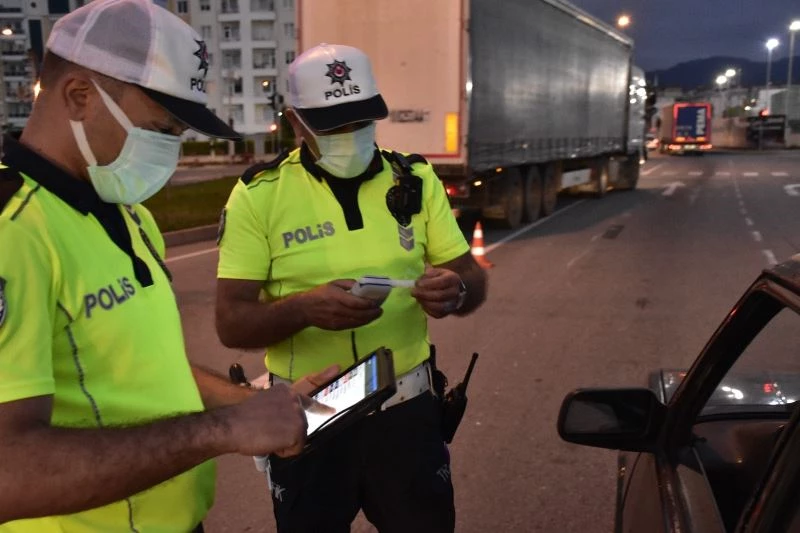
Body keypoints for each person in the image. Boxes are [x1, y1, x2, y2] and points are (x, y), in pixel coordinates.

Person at [0, 1, 333, 531]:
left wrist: (253, 402)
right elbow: (9, 471)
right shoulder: (12, 233)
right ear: (80, 96)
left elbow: (148, 373)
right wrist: (224, 430)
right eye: (163, 129)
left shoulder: (128, 216)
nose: (171, 150)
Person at [216, 43, 488, 533]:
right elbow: (231, 321)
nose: (350, 135)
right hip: (309, 415)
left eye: (360, 120)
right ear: (296, 122)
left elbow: (470, 276)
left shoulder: (416, 178)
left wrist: (457, 291)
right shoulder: (259, 195)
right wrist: (302, 309)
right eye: (333, 125)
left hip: (405, 411)